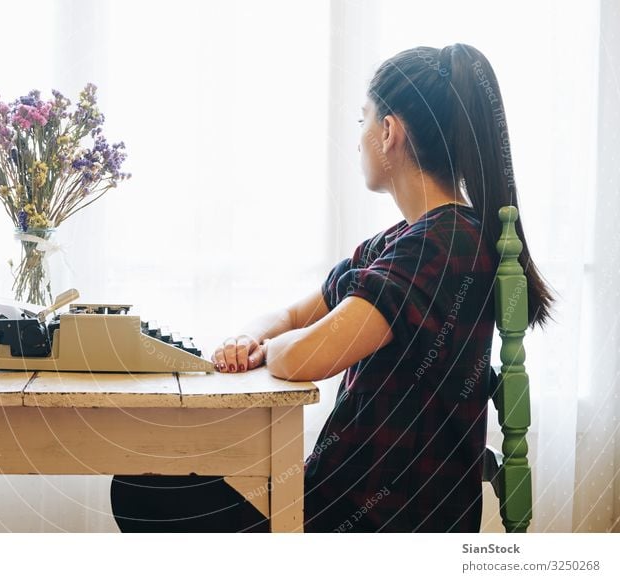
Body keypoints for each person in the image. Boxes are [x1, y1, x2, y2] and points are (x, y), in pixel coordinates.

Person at [110, 43, 553, 533]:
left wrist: (273, 349)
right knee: (146, 480)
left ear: (389, 133)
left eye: (363, 120)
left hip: (373, 529)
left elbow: (304, 358)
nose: (358, 138)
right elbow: (293, 317)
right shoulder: (401, 242)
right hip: (333, 505)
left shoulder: (443, 246)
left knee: (140, 488)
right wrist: (249, 337)